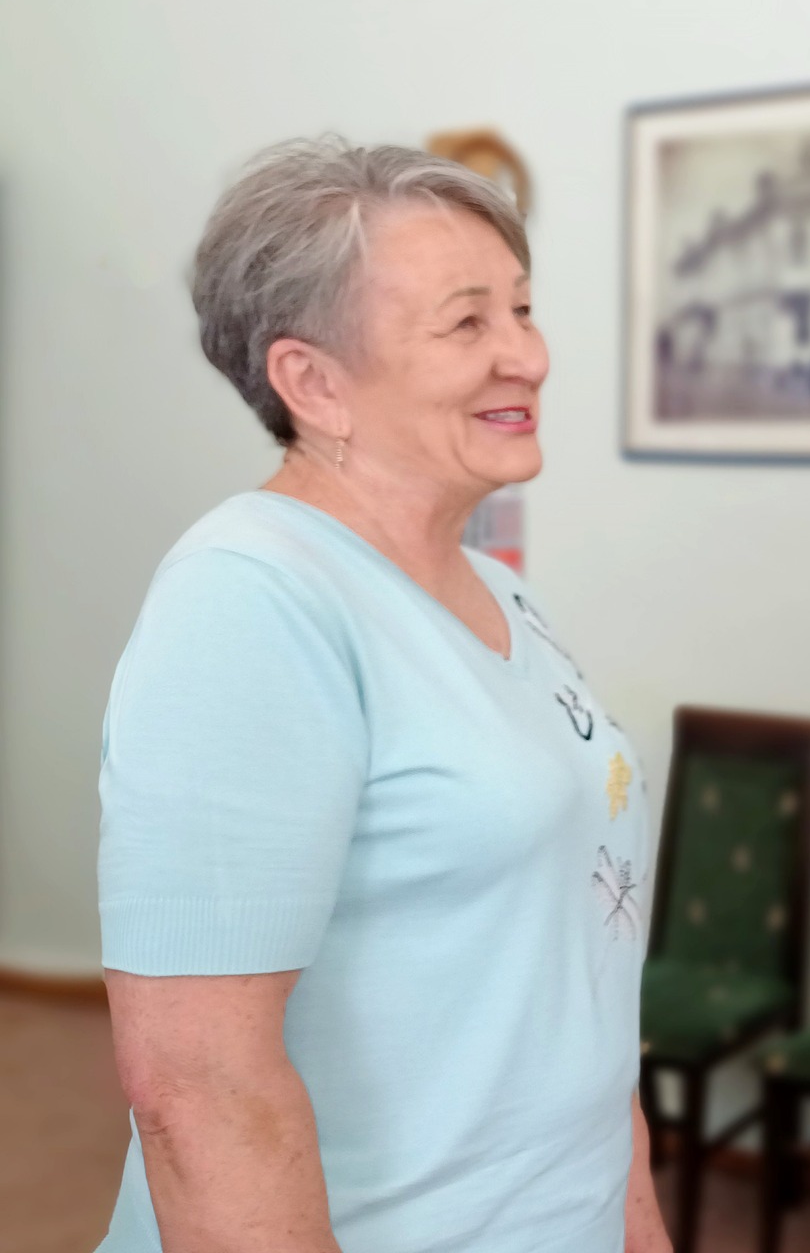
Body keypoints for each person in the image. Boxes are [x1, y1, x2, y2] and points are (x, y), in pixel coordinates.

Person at [96, 140, 671, 1253]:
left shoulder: (501, 590)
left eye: (522, 310)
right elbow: (200, 1089)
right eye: (467, 323)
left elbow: (580, 992)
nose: (527, 355)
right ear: (313, 382)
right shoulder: (250, 598)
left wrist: (635, 1226)